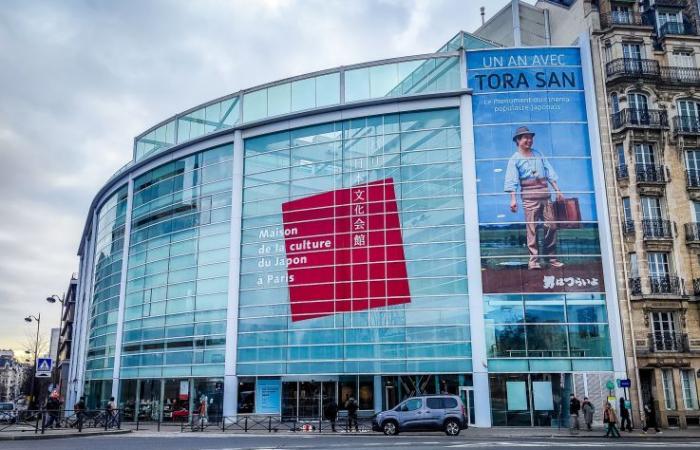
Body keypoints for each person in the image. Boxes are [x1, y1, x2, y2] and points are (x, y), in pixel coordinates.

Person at [504, 126, 565, 270]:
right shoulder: (514, 159)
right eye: (525, 137)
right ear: (518, 140)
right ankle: (533, 260)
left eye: (530, 137)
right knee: (531, 228)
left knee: (552, 226)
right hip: (529, 198)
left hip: (545, 195)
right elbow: (511, 180)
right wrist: (513, 199)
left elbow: (550, 173)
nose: (529, 140)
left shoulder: (538, 154)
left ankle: (551, 257)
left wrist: (558, 191)